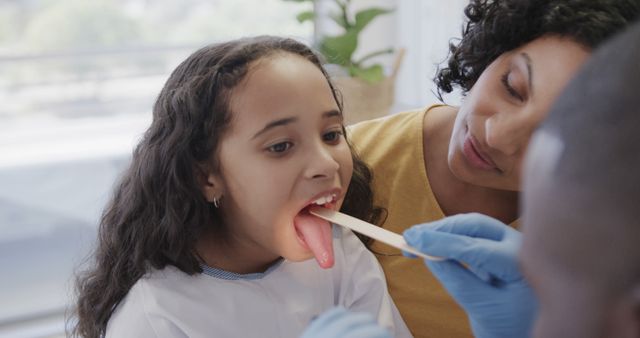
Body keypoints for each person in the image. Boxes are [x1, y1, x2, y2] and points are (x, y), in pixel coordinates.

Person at [302, 18, 640, 338]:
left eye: (546, 133)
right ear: (494, 50)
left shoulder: (606, 248)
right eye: (512, 87)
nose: (497, 135)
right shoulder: (338, 166)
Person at [71, 36, 410, 338]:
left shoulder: (344, 257)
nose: (327, 164)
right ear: (206, 177)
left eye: (331, 134)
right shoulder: (157, 319)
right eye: (280, 146)